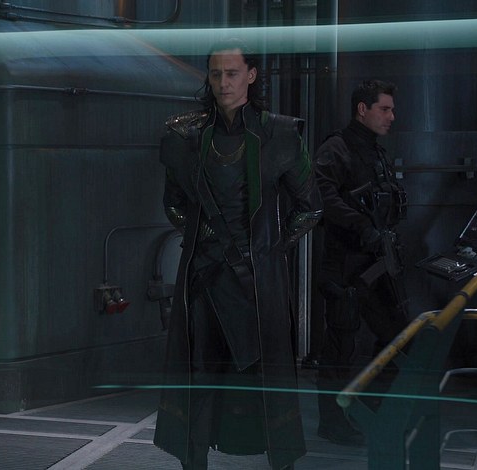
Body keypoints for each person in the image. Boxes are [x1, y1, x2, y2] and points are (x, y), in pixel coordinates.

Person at [153, 38, 323, 470]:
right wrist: (204, 236)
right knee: (199, 374)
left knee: (265, 379)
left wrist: (267, 250)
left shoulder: (280, 134)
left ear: (251, 75)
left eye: (231, 73)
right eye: (216, 74)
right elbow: (174, 204)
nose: (223, 83)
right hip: (203, 281)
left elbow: (310, 208)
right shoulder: (185, 136)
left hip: (257, 283)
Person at [313, 79, 410, 446]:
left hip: (375, 262)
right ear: (362, 109)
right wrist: (361, 226)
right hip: (345, 265)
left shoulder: (374, 151)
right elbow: (320, 197)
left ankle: (366, 410)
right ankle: (333, 422)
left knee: (398, 338)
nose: (391, 116)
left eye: (392, 109)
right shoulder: (337, 149)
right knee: (340, 346)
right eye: (384, 109)